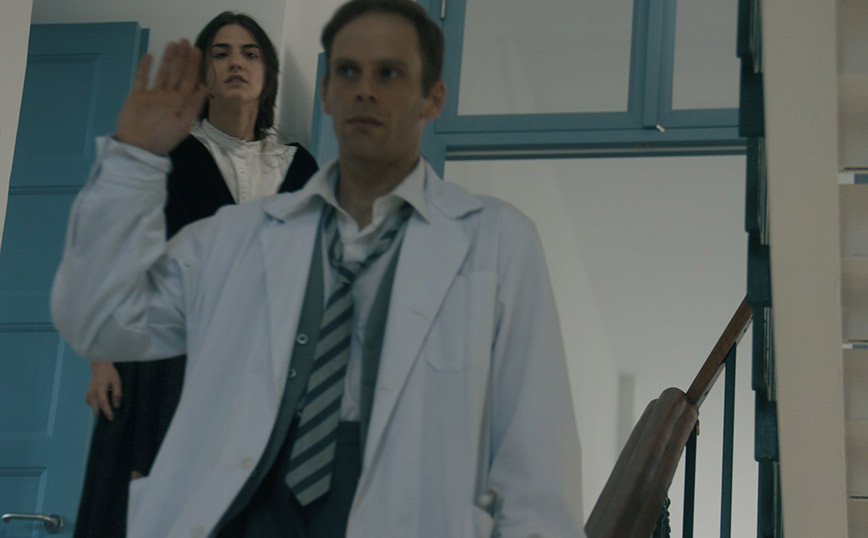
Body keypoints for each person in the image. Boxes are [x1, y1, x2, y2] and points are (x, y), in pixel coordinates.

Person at [52, 1, 585, 536]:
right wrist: (133, 161)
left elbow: (536, 455)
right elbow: (99, 321)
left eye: (390, 73)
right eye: (348, 71)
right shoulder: (237, 237)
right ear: (326, 93)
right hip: (245, 509)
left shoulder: (495, 242)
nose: (365, 90)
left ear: (433, 98)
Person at [71, 12, 318, 538]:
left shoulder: (301, 167)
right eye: (221, 53)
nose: (236, 63)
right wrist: (100, 358)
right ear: (203, 74)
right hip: (170, 358)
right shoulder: (169, 151)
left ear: (268, 74)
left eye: (250, 53)